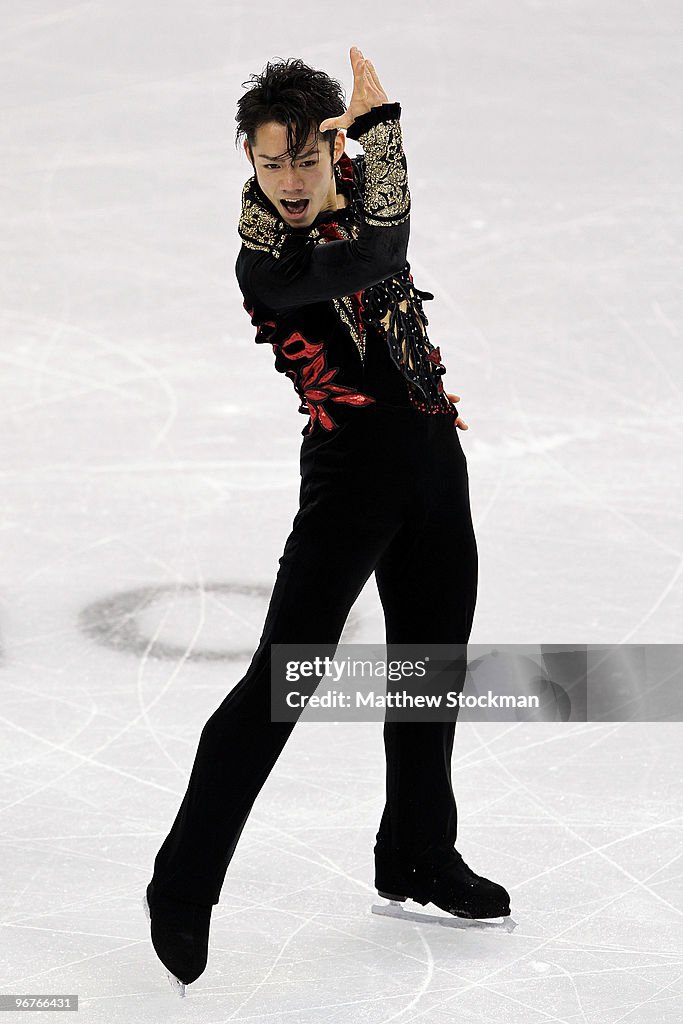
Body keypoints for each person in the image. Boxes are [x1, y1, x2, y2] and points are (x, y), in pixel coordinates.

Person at [143, 46, 511, 997]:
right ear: (249, 162)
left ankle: (417, 856)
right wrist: (384, 137)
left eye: (306, 160)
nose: (291, 182)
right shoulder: (265, 258)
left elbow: (376, 238)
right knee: (284, 680)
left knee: (429, 672)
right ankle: (183, 881)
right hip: (351, 477)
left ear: (325, 151)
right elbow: (378, 257)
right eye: (271, 164)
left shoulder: (347, 190)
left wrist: (367, 150)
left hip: (433, 457)